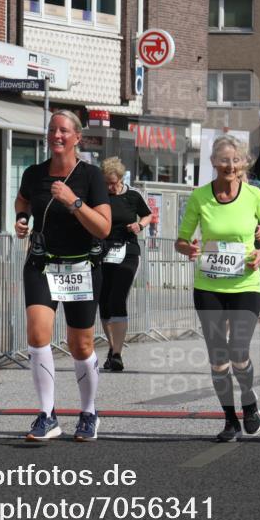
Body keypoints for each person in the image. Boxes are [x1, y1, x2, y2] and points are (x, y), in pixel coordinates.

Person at [175, 135, 260, 442]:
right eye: (223, 160)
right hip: (208, 286)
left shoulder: (255, 196)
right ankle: (230, 419)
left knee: (238, 350)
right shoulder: (200, 197)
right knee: (219, 357)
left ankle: (249, 401)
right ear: (213, 162)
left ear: (243, 163)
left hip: (245, 284)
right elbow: (181, 240)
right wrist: (187, 248)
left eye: (235, 160)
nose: (230, 166)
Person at [14, 110, 111, 441]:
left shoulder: (91, 176)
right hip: (42, 264)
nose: (56, 135)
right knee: (37, 334)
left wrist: (74, 202)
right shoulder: (33, 173)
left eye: (64, 131)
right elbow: (23, 200)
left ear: (77, 137)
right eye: (52, 129)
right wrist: (22, 219)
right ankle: (47, 415)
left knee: (80, 344)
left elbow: (103, 227)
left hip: (81, 266)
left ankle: (89, 413)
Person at [98, 157, 152, 372]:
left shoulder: (133, 195)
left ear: (120, 179)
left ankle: (118, 355)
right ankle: (112, 347)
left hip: (128, 251)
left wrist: (139, 225)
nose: (109, 187)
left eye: (112, 183)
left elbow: (148, 215)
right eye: (106, 183)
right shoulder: (99, 196)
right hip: (103, 252)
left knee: (117, 297)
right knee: (104, 301)